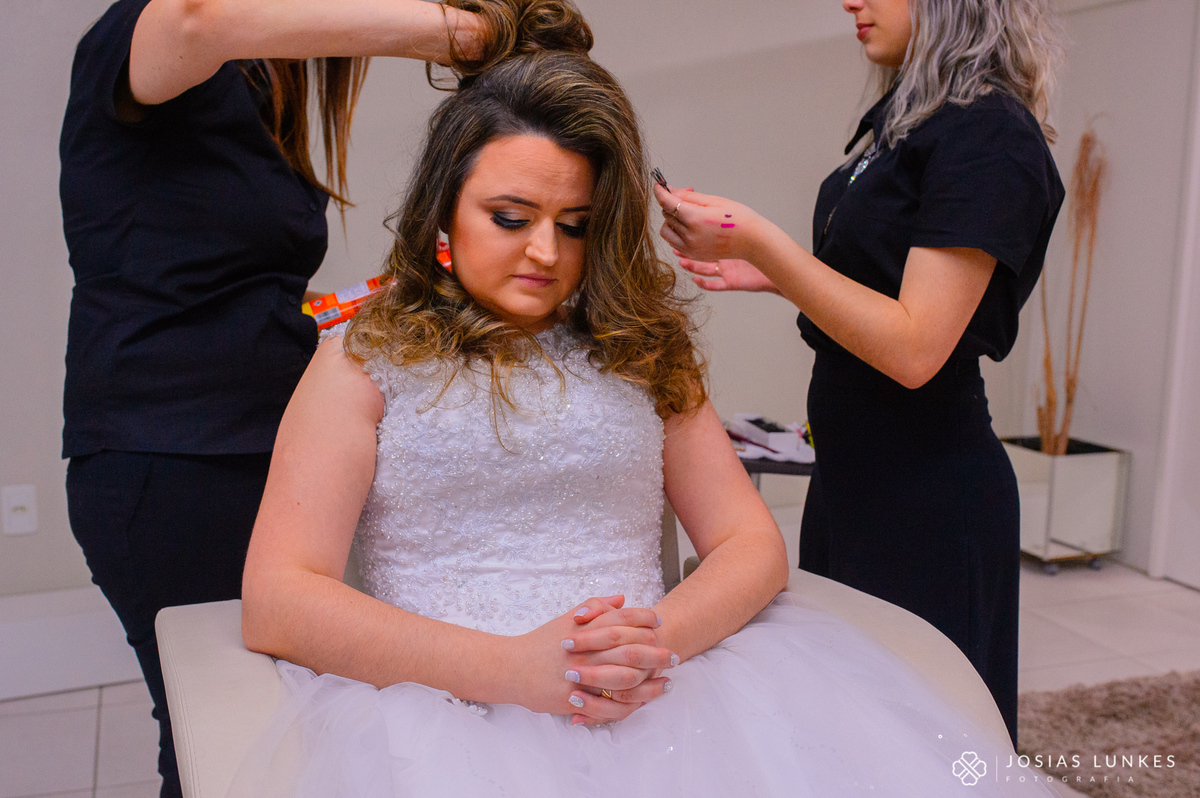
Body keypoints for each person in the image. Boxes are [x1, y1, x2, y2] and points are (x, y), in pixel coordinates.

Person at [231, 3, 1060, 795]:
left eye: (578, 223)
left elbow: (747, 544)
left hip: (662, 695)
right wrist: (511, 669)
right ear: (442, 216)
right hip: (443, 706)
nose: (545, 252)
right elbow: (279, 599)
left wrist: (655, 643)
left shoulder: (644, 352)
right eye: (509, 216)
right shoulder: (360, 359)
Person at [58, 1, 500, 795]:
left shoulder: (257, 83)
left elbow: (225, 289)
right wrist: (459, 35)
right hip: (172, 460)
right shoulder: (139, 37)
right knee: (221, 741)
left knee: (272, 736)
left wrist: (349, 309)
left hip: (252, 442)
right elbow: (198, 19)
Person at [652, 0, 1065, 747]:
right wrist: (771, 273)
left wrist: (768, 247)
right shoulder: (911, 118)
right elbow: (891, 288)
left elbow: (914, 350)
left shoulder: (991, 135)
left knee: (926, 737)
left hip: (928, 499)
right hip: (849, 483)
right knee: (848, 725)